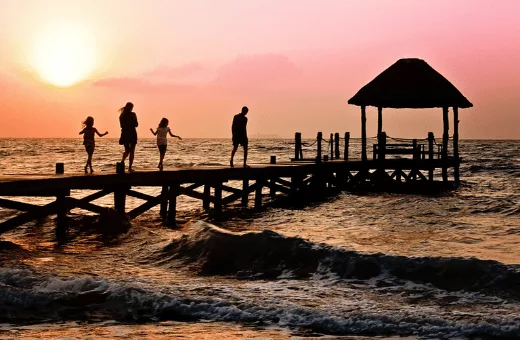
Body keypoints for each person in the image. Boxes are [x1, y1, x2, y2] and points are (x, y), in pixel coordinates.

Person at [119, 102, 138, 172]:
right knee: (132, 151)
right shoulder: (133, 114)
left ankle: (122, 161)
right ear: (131, 108)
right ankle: (130, 167)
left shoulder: (122, 115)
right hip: (132, 133)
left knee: (127, 150)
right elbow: (136, 124)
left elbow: (121, 125)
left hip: (124, 133)